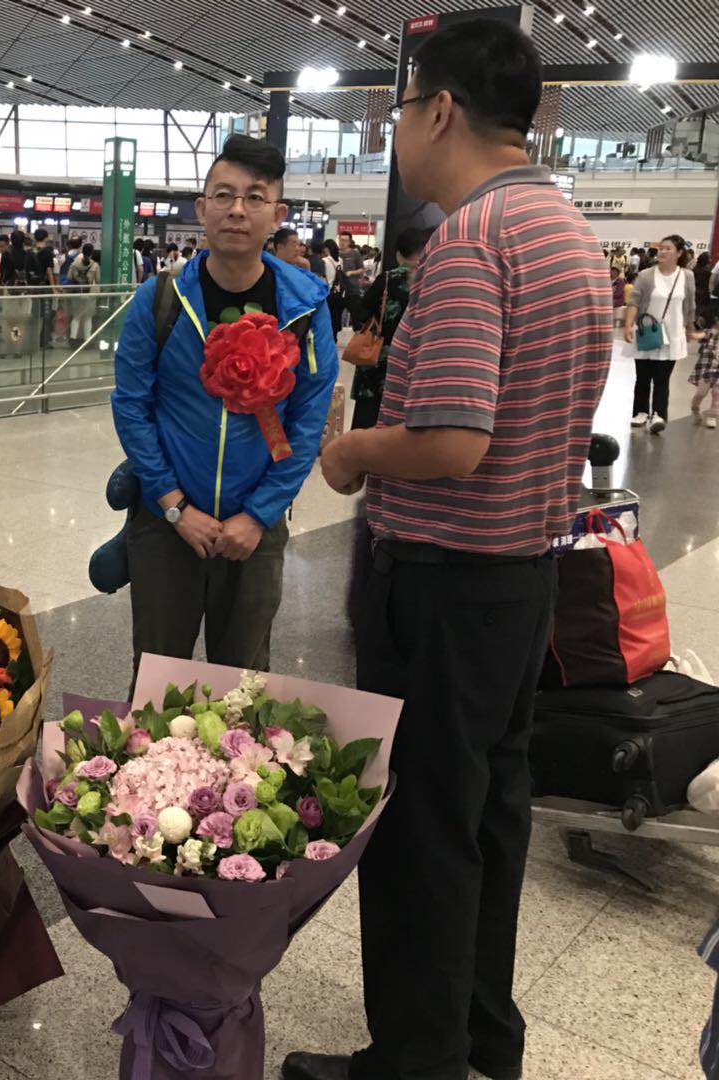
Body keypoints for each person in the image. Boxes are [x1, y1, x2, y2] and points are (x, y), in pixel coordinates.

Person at [293, 19, 611, 1080]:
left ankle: (412, 1061)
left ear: (438, 110)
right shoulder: (567, 231)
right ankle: (480, 1040)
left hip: (442, 585)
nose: (394, 133)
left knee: (422, 829)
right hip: (520, 581)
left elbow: (453, 440)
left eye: (398, 111)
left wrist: (352, 454)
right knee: (488, 817)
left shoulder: (473, 240)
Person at [112, 133, 338, 682]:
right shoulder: (160, 298)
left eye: (255, 197)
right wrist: (173, 506)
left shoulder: (304, 307)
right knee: (157, 677)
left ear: (277, 214)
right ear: (202, 208)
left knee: (244, 685)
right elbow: (132, 406)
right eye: (223, 194)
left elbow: (308, 420)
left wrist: (258, 515)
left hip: (255, 530)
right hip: (166, 523)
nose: (238, 209)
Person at [347, 226, 432, 430]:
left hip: (379, 357)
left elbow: (361, 313)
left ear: (399, 254)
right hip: (415, 358)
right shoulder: (432, 279)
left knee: (368, 415)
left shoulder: (387, 279)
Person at [623, 234, 700, 435]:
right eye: (661, 248)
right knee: (643, 376)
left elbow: (690, 305)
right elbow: (634, 301)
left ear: (679, 253)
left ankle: (659, 414)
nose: (662, 252)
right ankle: (640, 412)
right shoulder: (646, 275)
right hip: (647, 332)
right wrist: (628, 325)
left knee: (662, 378)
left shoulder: (686, 276)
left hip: (672, 335)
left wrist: (690, 329)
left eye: (668, 249)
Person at [67, 241, 99, 343]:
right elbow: (98, 280)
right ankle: (87, 339)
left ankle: (73, 338)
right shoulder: (95, 265)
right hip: (89, 295)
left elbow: (69, 277)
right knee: (88, 317)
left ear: (82, 251)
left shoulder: (74, 264)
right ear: (92, 253)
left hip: (77, 293)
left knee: (76, 316)